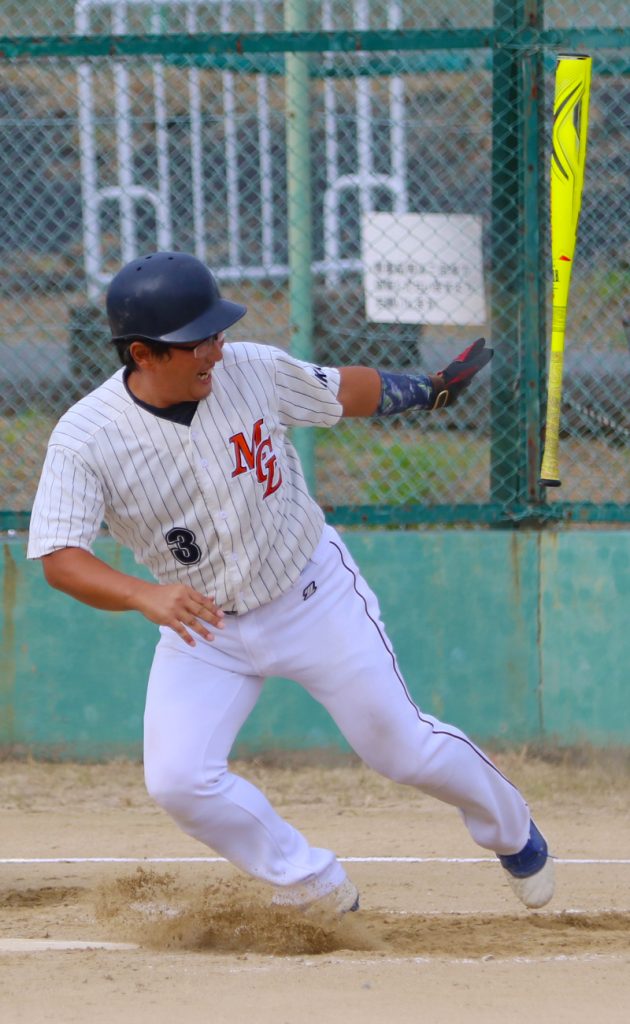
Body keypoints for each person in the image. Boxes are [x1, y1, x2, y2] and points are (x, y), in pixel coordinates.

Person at [28, 251, 554, 914]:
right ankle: (316, 886)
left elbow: (341, 391)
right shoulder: (86, 437)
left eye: (217, 333)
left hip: (310, 594)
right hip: (203, 624)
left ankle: (514, 833)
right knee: (179, 780)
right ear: (144, 352)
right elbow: (60, 558)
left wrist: (429, 389)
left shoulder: (251, 369)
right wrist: (144, 595)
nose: (216, 351)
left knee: (402, 749)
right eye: (199, 341)